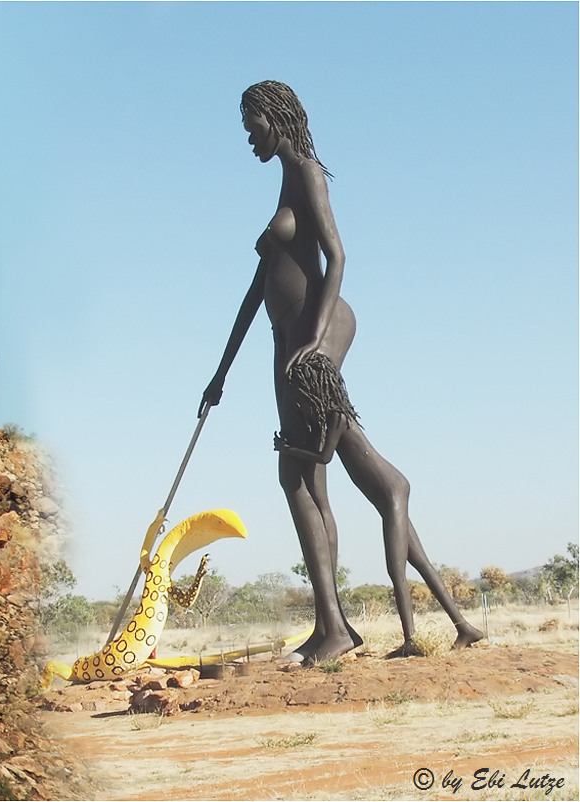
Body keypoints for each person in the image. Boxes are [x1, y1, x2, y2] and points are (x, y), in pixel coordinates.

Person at [199, 80, 483, 665]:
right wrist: (220, 371)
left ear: (273, 117)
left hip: (307, 338)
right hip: (285, 340)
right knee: (308, 478)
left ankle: (333, 628)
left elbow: (338, 257)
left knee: (294, 476)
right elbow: (257, 291)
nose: (247, 136)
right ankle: (336, 627)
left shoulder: (305, 170)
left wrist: (310, 342)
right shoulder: (283, 178)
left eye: (250, 124)